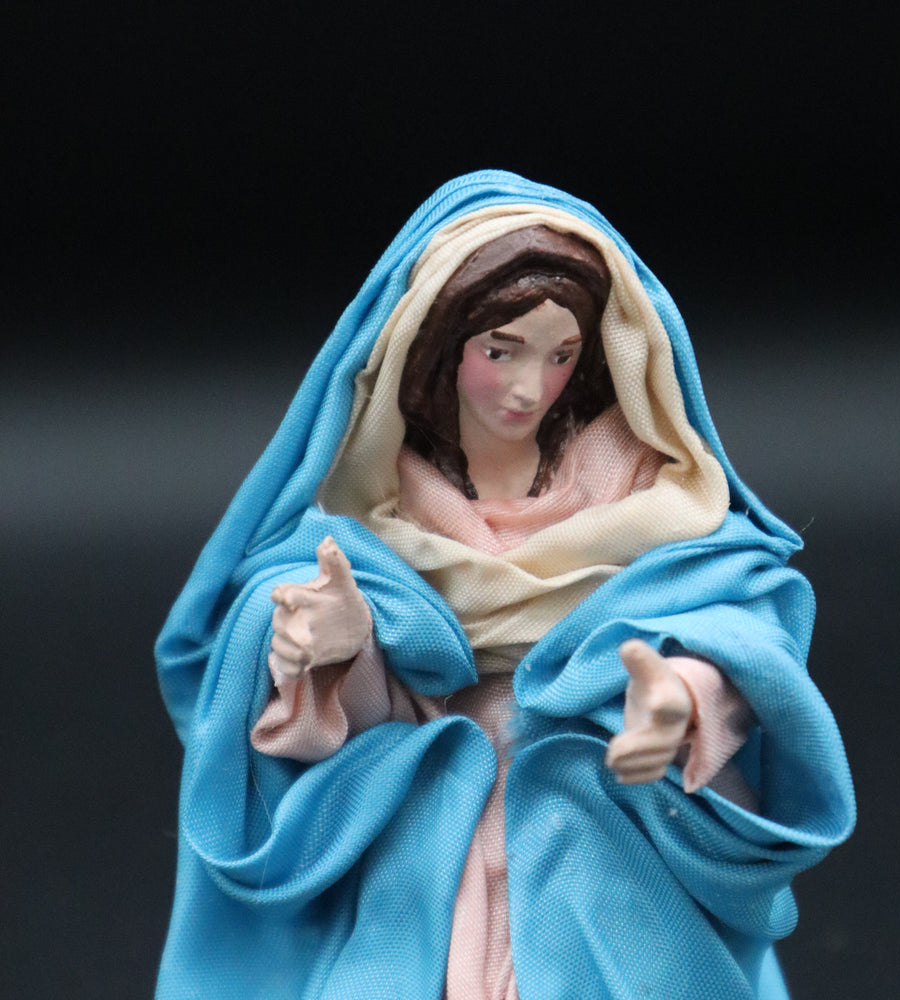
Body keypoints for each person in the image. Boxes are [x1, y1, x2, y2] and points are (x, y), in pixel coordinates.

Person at [155, 171, 855, 1000]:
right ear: (440, 345)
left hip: (597, 821)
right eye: (501, 350)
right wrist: (343, 652)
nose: (529, 388)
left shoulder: (639, 487)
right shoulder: (378, 507)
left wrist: (682, 696)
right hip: (430, 826)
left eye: (560, 356)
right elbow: (370, 721)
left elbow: (742, 624)